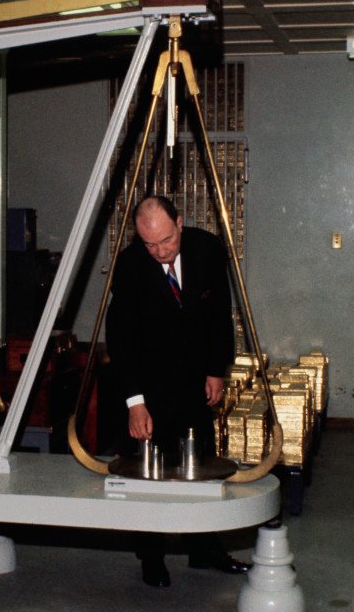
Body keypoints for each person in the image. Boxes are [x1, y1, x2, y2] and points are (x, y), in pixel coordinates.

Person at [106, 195, 251, 587]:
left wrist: (216, 369)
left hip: (194, 383)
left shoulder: (208, 249)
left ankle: (205, 550)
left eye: (166, 241)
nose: (159, 251)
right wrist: (135, 403)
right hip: (148, 387)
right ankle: (151, 557)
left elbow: (220, 314)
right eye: (149, 244)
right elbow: (120, 339)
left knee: (199, 467)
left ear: (180, 223)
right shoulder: (131, 264)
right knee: (148, 475)